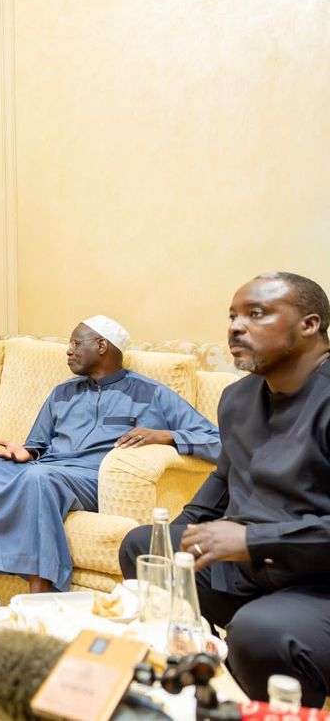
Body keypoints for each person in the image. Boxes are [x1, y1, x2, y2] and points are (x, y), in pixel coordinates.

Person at [119, 273, 330, 706]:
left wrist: (253, 539)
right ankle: (197, 687)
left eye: (256, 314)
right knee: (144, 548)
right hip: (253, 567)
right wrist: (176, 543)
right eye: (232, 316)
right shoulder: (238, 398)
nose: (235, 327)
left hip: (318, 580)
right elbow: (222, 480)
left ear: (310, 324)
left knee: (259, 631)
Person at [0, 316, 221, 595]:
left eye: (76, 343)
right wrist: (27, 452)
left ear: (102, 345)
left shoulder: (150, 393)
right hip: (46, 468)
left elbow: (217, 440)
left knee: (38, 478)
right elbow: (37, 443)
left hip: (92, 478)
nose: (69, 351)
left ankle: (39, 594)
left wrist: (167, 436)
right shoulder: (62, 392)